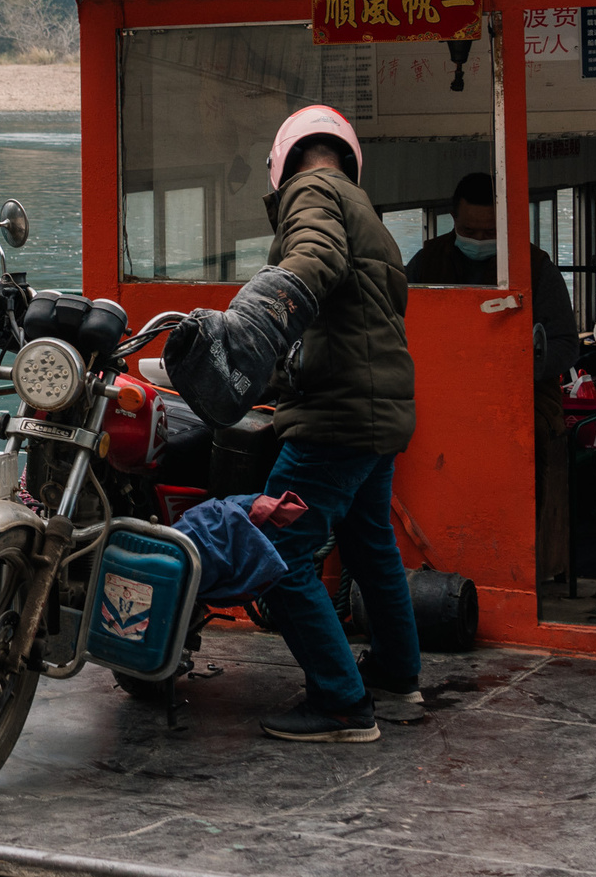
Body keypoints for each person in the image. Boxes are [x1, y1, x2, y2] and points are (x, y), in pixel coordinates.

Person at [165, 103, 422, 743]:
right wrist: (278, 370)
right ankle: (397, 675)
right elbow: (351, 321)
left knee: (276, 548)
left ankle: (341, 704)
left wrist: (255, 320)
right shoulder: (368, 214)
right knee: (371, 545)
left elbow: (313, 256)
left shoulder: (311, 191)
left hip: (335, 415)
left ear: (281, 162)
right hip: (380, 409)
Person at [408, 172, 579, 590]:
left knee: (526, 457)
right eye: (470, 231)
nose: (479, 239)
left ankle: (517, 573)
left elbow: (565, 344)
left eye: (489, 233)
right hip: (443, 397)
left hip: (522, 398)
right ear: (453, 220)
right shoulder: (426, 261)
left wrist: (514, 368)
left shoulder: (534, 266)